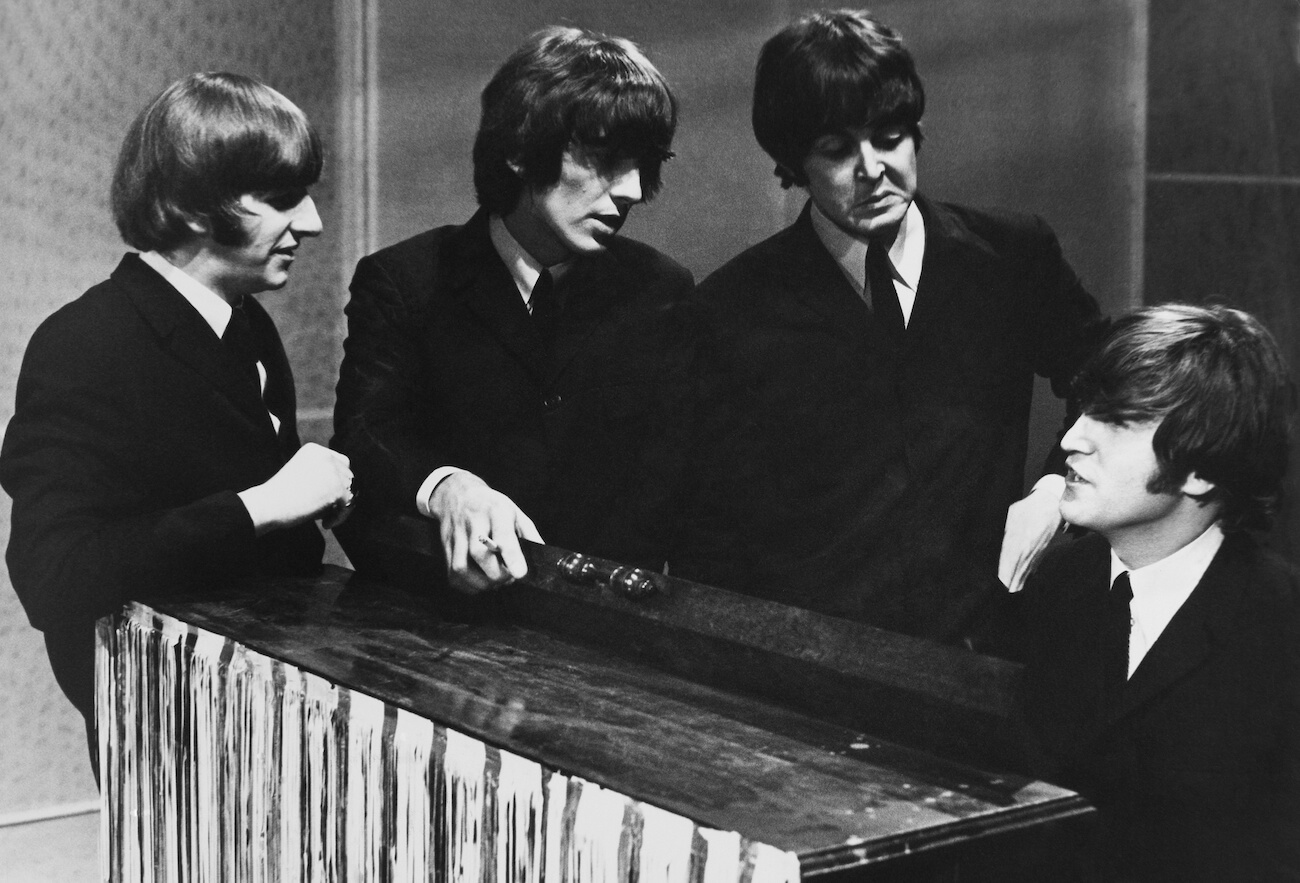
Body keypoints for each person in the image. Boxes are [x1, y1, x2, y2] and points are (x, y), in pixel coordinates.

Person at [672, 9, 1106, 641]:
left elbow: (1110, 377)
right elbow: (709, 538)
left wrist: (1056, 492)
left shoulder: (1012, 255)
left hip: (988, 649)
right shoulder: (731, 309)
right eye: (837, 149)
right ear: (794, 164)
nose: (872, 169)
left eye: (889, 136)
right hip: (815, 670)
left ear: (915, 133)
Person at [0, 72, 353, 775]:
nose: (311, 223)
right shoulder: (83, 343)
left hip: (270, 713)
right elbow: (53, 574)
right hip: (166, 737)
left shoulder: (250, 328)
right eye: (282, 199)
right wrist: (262, 507)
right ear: (191, 207)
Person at [332, 27, 694, 597]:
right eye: (603, 159)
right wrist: (448, 486)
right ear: (520, 151)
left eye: (644, 164)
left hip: (608, 638)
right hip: (444, 628)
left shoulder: (661, 288)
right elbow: (364, 436)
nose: (630, 190)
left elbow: (678, 491)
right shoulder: (407, 281)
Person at [1015, 304, 1300, 881]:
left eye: (1117, 421)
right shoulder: (1060, 584)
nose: (1072, 438)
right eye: (1085, 411)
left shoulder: (1280, 628)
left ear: (1202, 468)